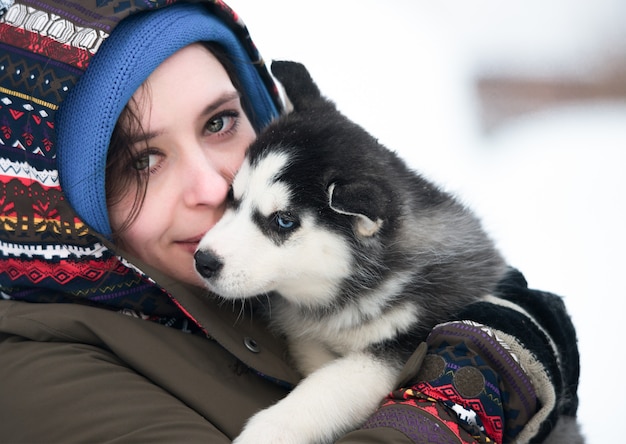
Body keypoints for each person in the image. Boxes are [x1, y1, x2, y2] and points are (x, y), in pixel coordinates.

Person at [0, 1, 581, 442]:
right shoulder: (34, 377)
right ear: (50, 201)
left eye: (220, 122)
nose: (212, 187)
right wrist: (479, 380)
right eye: (142, 161)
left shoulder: (276, 269)